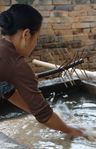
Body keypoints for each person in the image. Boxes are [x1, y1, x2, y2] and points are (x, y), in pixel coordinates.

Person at [0, 4, 86, 138]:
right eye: (37, 38)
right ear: (26, 34)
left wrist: (35, 111)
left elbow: (7, 91)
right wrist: (70, 130)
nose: (36, 43)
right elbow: (44, 115)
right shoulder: (17, 65)